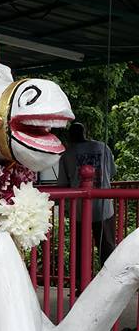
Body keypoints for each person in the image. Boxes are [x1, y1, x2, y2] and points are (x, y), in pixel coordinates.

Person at [58, 121, 116, 286]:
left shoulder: (67, 154)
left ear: (70, 137)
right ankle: (110, 285)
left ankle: (80, 285)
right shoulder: (103, 147)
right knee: (107, 247)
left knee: (79, 249)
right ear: (85, 133)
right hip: (104, 207)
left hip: (79, 210)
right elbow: (112, 172)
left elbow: (62, 184)